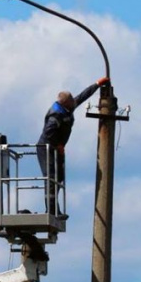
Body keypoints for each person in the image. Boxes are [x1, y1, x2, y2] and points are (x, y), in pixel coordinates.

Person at [37, 77, 109, 217]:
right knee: (51, 178)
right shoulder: (55, 114)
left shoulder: (67, 107)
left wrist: (97, 84)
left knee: (59, 177)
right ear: (65, 103)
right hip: (46, 148)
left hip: (56, 148)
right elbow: (48, 133)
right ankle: (52, 211)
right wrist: (58, 145)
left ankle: (54, 209)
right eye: (72, 102)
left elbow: (82, 96)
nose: (74, 103)